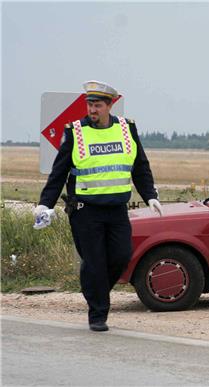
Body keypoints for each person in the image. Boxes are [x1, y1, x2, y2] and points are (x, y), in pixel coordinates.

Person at [34, 80, 163, 332]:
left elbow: (140, 166)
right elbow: (59, 172)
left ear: (110, 105)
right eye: (89, 105)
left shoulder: (127, 129)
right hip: (85, 211)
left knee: (121, 256)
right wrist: (45, 204)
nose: (92, 110)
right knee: (94, 262)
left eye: (97, 105)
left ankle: (94, 287)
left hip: (116, 210)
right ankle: (98, 314)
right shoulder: (75, 132)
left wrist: (150, 195)